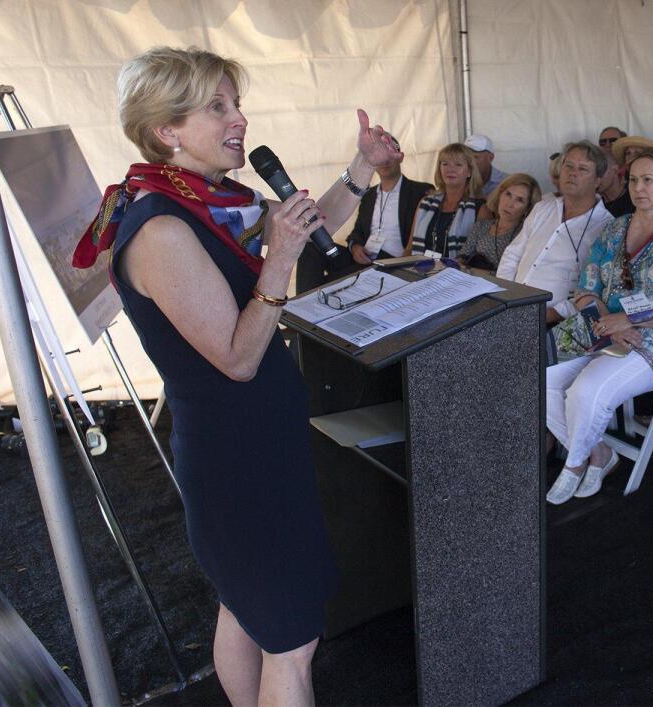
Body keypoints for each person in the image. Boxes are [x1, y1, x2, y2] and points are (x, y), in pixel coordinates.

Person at [70, 46, 400, 705]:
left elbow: (302, 228)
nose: (239, 119)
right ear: (166, 128)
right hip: (235, 456)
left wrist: (361, 168)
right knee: (292, 639)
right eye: (217, 107)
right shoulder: (161, 228)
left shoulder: (203, 198)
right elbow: (237, 356)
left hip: (256, 440)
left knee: (245, 610)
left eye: (237, 103)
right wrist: (277, 263)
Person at [545, 148, 653, 504]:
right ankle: (598, 452)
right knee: (534, 379)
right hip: (601, 324)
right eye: (634, 179)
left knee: (584, 392)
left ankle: (574, 463)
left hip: (652, 337)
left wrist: (628, 320)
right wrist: (609, 321)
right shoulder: (613, 229)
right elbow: (586, 289)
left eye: (649, 180)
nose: (639, 188)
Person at [497, 140, 615, 327]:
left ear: (598, 181)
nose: (572, 173)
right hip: (512, 309)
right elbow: (512, 255)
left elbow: (597, 291)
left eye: (582, 169)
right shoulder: (543, 208)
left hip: (557, 324)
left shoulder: (607, 227)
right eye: (568, 165)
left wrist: (549, 315)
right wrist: (504, 298)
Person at [344, 137, 432, 266]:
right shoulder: (368, 195)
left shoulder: (421, 191)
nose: (384, 162)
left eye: (389, 155)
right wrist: (355, 247)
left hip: (396, 261)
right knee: (313, 248)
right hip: (367, 259)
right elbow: (357, 232)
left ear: (400, 157)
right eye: (379, 157)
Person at [408, 143, 484, 258]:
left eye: (458, 165)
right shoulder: (425, 203)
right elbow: (409, 248)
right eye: (445, 164)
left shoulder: (480, 209)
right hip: (420, 269)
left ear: (469, 172)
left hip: (456, 274)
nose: (450, 169)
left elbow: (478, 258)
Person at [458, 173, 541, 270]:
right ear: (500, 194)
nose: (510, 204)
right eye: (508, 194)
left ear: (528, 208)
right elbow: (462, 257)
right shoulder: (481, 226)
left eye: (520, 200)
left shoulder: (524, 235)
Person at [464, 133, 505, 197]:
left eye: (475, 157)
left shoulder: (506, 182)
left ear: (491, 158)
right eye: (466, 157)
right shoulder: (459, 180)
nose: (469, 162)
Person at [598, 149, 634, 218]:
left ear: (615, 171)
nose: (595, 175)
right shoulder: (594, 203)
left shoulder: (634, 196)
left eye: (600, 169)